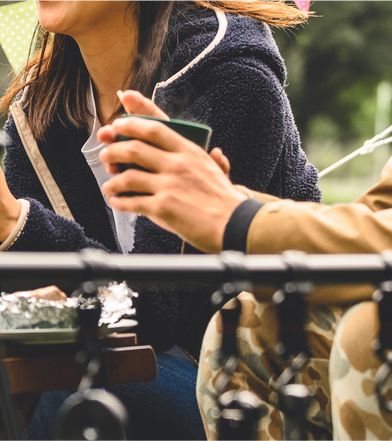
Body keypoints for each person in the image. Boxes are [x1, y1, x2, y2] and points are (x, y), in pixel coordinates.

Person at [0, 1, 318, 439]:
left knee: (61, 371)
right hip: (120, 366)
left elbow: (155, 311)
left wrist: (11, 218)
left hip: (247, 388)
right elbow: (33, 293)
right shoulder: (44, 101)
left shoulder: (226, 74)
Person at [98, 90, 392, 440]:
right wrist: (227, 202)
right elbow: (376, 216)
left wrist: (237, 219)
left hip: (160, 354)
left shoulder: (235, 74)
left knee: (369, 331)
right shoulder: (39, 104)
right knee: (248, 327)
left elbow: (149, 312)